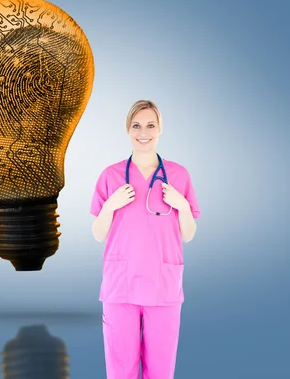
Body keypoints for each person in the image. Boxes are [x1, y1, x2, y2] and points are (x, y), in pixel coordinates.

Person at [90, 100, 200, 379]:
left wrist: (182, 205)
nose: (143, 132)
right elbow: (98, 233)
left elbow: (187, 234)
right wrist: (110, 205)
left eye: (150, 125)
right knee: (120, 369)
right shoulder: (111, 176)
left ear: (160, 129)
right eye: (137, 125)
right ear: (128, 130)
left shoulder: (178, 176)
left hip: (163, 287)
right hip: (121, 287)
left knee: (161, 371)